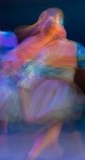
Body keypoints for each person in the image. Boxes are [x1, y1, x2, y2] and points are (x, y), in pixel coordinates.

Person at [7, 8, 85, 159]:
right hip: (59, 91)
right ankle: (33, 154)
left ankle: (55, 151)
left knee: (55, 124)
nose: (61, 29)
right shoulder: (67, 47)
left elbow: (29, 69)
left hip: (44, 90)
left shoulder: (46, 49)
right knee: (56, 123)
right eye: (59, 25)